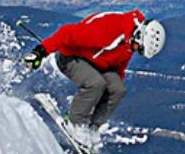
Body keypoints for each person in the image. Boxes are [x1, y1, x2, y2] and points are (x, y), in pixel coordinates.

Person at [24, 10, 165, 143]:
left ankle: (92, 129)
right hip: (70, 57)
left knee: (117, 89)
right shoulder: (109, 30)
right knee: (95, 83)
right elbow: (66, 33)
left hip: (95, 63)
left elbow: (119, 67)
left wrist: (105, 96)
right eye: (138, 48)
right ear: (139, 35)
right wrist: (40, 52)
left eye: (139, 51)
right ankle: (75, 124)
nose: (135, 51)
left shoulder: (129, 43)